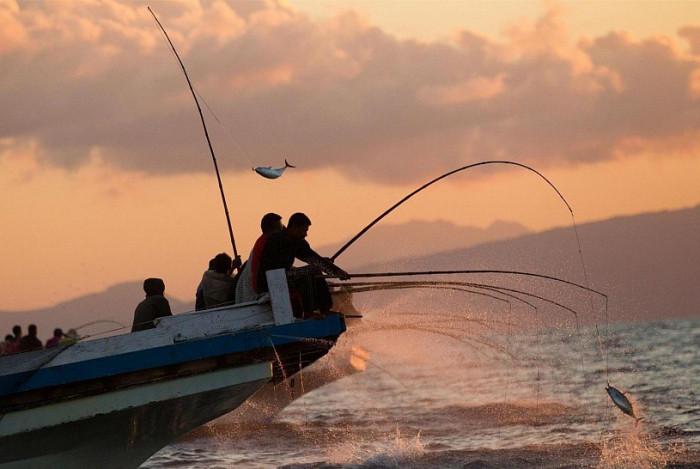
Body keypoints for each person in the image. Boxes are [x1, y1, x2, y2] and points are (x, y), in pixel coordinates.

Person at [258, 212, 350, 317]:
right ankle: (308, 312)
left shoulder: (296, 241)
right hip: (271, 279)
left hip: (283, 275)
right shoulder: (279, 239)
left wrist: (335, 271)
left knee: (313, 271)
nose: (305, 234)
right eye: (304, 230)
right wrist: (337, 272)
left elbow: (313, 258)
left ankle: (325, 308)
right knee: (312, 271)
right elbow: (315, 261)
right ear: (294, 227)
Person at [235, 213, 284, 303]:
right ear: (272, 230)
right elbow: (259, 274)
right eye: (280, 228)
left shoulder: (263, 241)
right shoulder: (266, 244)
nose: (282, 230)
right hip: (254, 294)